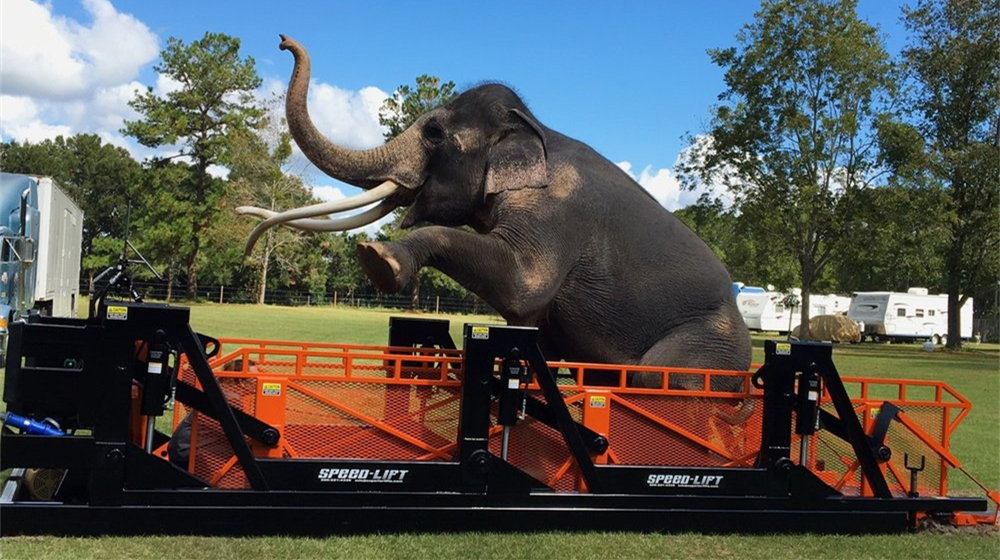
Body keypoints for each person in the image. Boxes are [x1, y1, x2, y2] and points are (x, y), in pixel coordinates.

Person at [168, 358, 257, 468]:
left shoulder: (222, 392)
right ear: (241, 381)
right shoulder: (230, 399)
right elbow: (236, 436)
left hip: (182, 449)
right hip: (186, 452)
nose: (257, 381)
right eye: (254, 378)